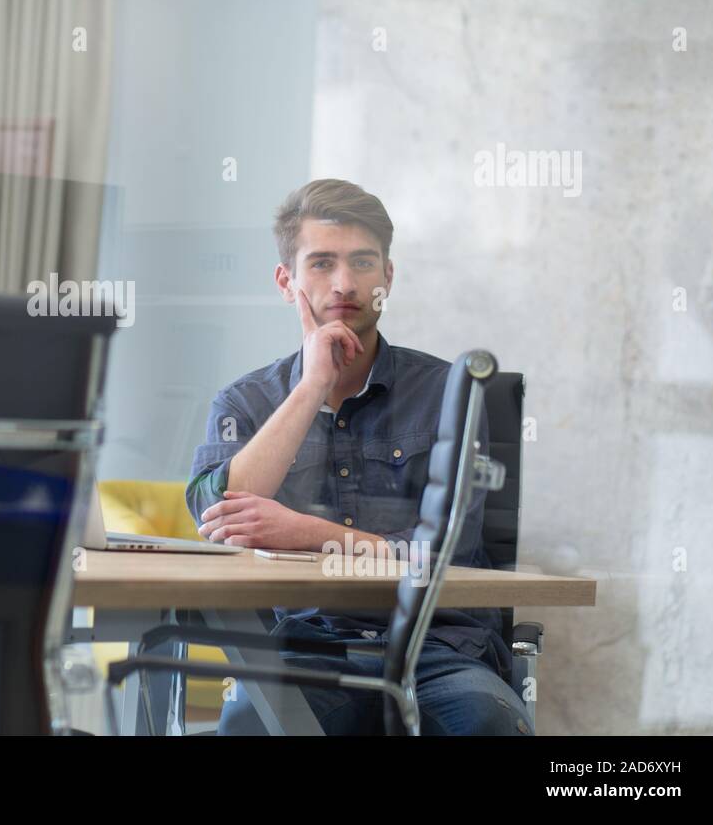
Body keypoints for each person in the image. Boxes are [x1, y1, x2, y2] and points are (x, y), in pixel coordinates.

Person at [186, 178, 532, 735]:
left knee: (489, 725)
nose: (344, 283)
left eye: (363, 262)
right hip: (308, 648)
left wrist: (303, 530)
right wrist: (311, 385)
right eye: (321, 263)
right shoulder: (246, 401)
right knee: (252, 728)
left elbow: (446, 553)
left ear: (387, 277)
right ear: (286, 281)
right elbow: (217, 514)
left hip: (438, 646)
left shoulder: (450, 394)